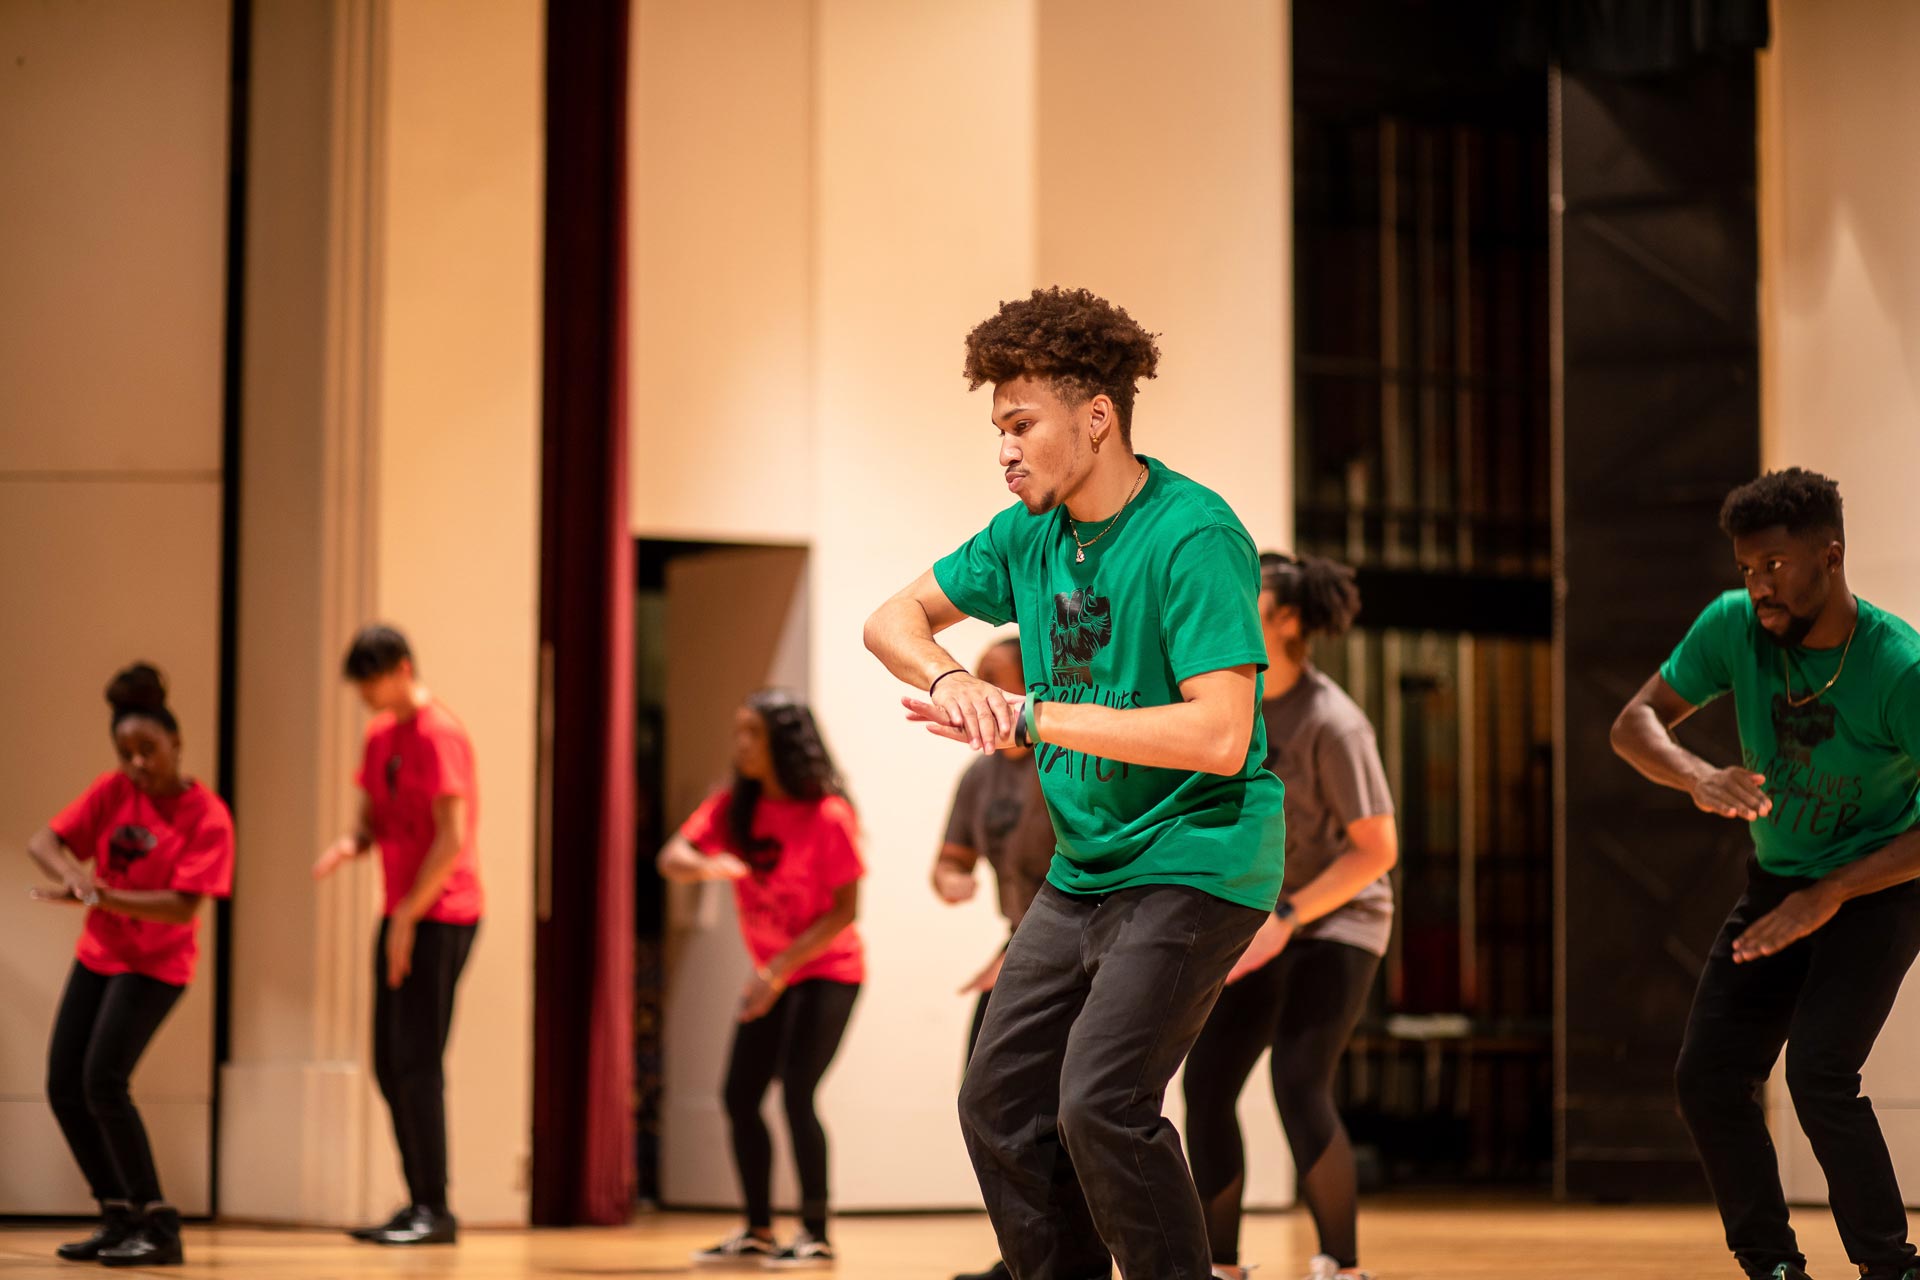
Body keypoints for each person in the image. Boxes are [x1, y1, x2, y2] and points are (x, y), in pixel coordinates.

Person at [865, 286, 1286, 1280]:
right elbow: (891, 619)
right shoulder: (1025, 537)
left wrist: (1026, 713)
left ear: (1096, 416)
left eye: (1022, 423)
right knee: (998, 1102)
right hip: (1087, 867)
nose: (1004, 450)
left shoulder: (1192, 533)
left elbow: (1222, 733)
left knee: (1099, 1102)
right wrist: (955, 677)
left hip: (1201, 856)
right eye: (997, 429)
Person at [1611, 469, 1920, 1280]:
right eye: (1746, 570)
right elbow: (1633, 722)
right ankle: (1773, 1267)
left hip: (1877, 884)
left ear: (1831, 555)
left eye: (1775, 567)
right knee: (1708, 1076)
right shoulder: (1733, 628)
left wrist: (1833, 892)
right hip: (1779, 882)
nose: (1757, 588)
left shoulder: (1898, 668)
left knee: (1820, 1072)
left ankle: (1892, 1266)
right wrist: (1695, 775)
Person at [1183, 553, 1398, 1280]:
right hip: (1256, 917)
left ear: (1289, 621)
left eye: (1253, 597)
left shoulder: (1334, 723)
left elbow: (1377, 851)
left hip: (1339, 918)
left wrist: (1292, 913)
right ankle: (1220, 1264)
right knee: (1206, 1082)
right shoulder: (1227, 702)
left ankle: (1342, 1262)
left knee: (1298, 1078)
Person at [26, 663, 234, 1267]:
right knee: (64, 1084)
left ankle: (159, 1223)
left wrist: (100, 896)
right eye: (126, 753)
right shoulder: (114, 792)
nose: (138, 763)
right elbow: (44, 840)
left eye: (149, 749)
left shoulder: (209, 818)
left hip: (155, 966)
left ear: (177, 743)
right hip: (101, 953)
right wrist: (73, 877)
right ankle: (117, 1214)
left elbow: (181, 907)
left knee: (104, 1082)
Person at [659, 689, 864, 1269]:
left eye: (752, 733)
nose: (741, 745)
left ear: (784, 742)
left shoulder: (827, 814)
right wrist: (703, 865)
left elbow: (844, 911)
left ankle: (817, 1233)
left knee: (797, 1092)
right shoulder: (734, 808)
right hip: (771, 976)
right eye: (739, 732)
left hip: (827, 971)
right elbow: (670, 856)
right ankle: (756, 1229)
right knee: (739, 1096)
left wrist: (777, 972)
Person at [315, 624, 483, 1247]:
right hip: (402, 911)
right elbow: (369, 821)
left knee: (417, 1060)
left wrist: (410, 915)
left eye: (371, 678)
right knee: (389, 1063)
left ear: (402, 669)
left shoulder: (440, 732)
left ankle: (435, 1209)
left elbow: (452, 837)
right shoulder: (379, 733)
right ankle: (416, 1200)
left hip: (444, 912)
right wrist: (347, 846)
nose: (363, 692)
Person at [932, 635, 1058, 1280]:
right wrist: (953, 879)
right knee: (986, 1104)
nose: (974, 688)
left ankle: (1059, 1256)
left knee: (1059, 1113)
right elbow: (952, 858)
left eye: (990, 677)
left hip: (1068, 950)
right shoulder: (980, 774)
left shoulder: (1065, 760)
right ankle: (1026, 1256)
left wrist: (1015, 952)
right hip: (1017, 951)